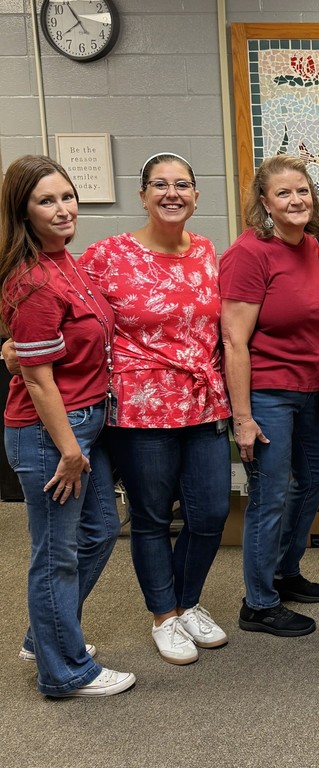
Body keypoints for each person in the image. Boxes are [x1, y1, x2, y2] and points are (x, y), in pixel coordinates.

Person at [72, 153, 232, 665]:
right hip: (140, 409)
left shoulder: (207, 251)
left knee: (210, 512)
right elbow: (61, 306)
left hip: (204, 402)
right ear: (141, 195)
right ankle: (164, 615)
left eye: (182, 184)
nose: (171, 193)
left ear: (196, 195)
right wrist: (16, 345)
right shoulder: (106, 255)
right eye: (159, 185)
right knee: (152, 516)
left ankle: (187, 602)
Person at [0, 155, 134, 696]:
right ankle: (64, 672)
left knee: (101, 529)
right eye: (46, 201)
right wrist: (68, 451)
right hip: (51, 432)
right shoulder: (34, 280)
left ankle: (48, 634)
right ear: (23, 212)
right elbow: (37, 381)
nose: (62, 209)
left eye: (67, 196)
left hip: (85, 423)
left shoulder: (65, 262)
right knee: (54, 553)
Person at [220, 154, 319, 638]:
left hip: (307, 390)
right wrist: (242, 418)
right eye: (283, 193)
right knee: (271, 494)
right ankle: (259, 602)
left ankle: (285, 571)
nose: (295, 200)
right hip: (266, 391)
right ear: (264, 202)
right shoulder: (249, 253)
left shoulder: (310, 245)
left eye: (302, 190)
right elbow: (233, 341)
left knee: (314, 474)